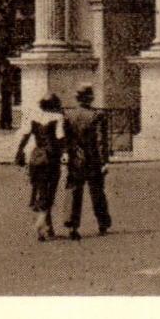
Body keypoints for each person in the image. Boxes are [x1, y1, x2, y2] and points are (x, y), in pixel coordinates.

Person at [61, 84, 112, 240]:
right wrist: (105, 161)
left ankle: (72, 225)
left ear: (77, 98)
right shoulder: (97, 115)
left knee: (74, 191)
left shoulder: (68, 115)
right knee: (97, 191)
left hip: (75, 158)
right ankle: (102, 222)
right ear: (91, 98)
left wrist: (66, 154)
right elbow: (100, 141)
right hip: (92, 159)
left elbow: (66, 139)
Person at [15, 94, 67, 240]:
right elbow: (60, 137)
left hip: (37, 157)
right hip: (51, 158)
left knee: (41, 190)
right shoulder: (58, 118)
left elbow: (25, 136)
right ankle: (42, 222)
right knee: (51, 192)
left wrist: (19, 152)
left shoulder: (34, 117)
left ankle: (48, 228)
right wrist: (65, 152)